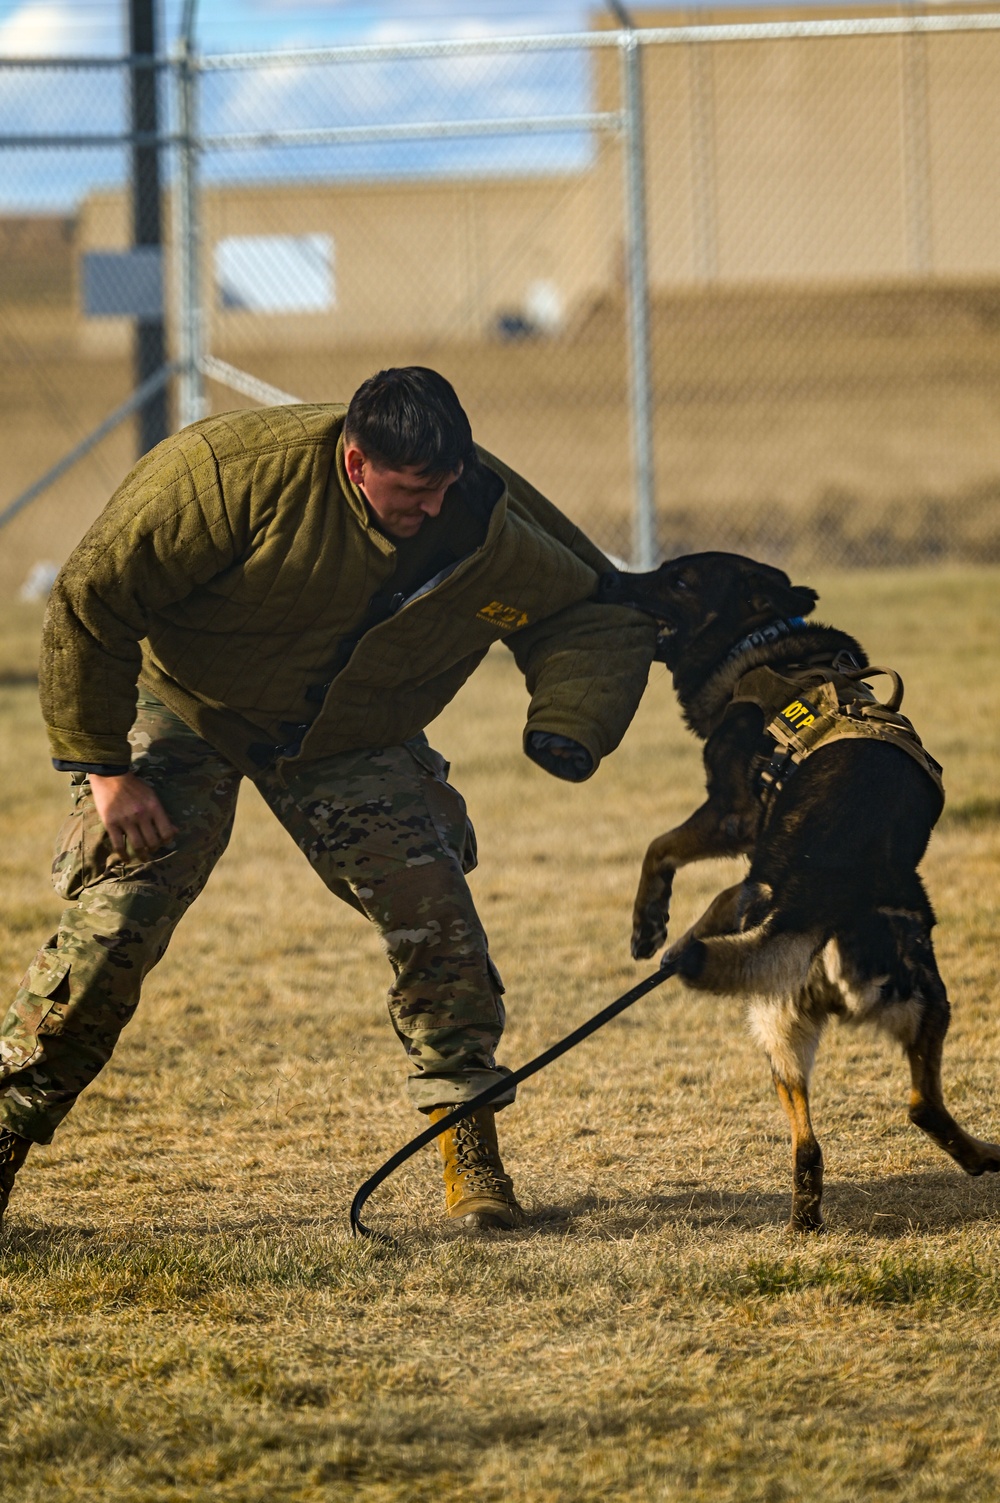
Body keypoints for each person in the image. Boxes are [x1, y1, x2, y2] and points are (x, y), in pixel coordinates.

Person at [0, 368, 655, 1232]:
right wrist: (105, 769)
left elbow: (594, 608)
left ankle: (470, 1149)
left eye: (445, 483)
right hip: (191, 704)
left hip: (348, 733)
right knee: (119, 921)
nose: (432, 505)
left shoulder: (479, 511)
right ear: (355, 461)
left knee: (435, 912)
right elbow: (93, 598)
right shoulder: (225, 476)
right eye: (411, 490)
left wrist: (571, 718)